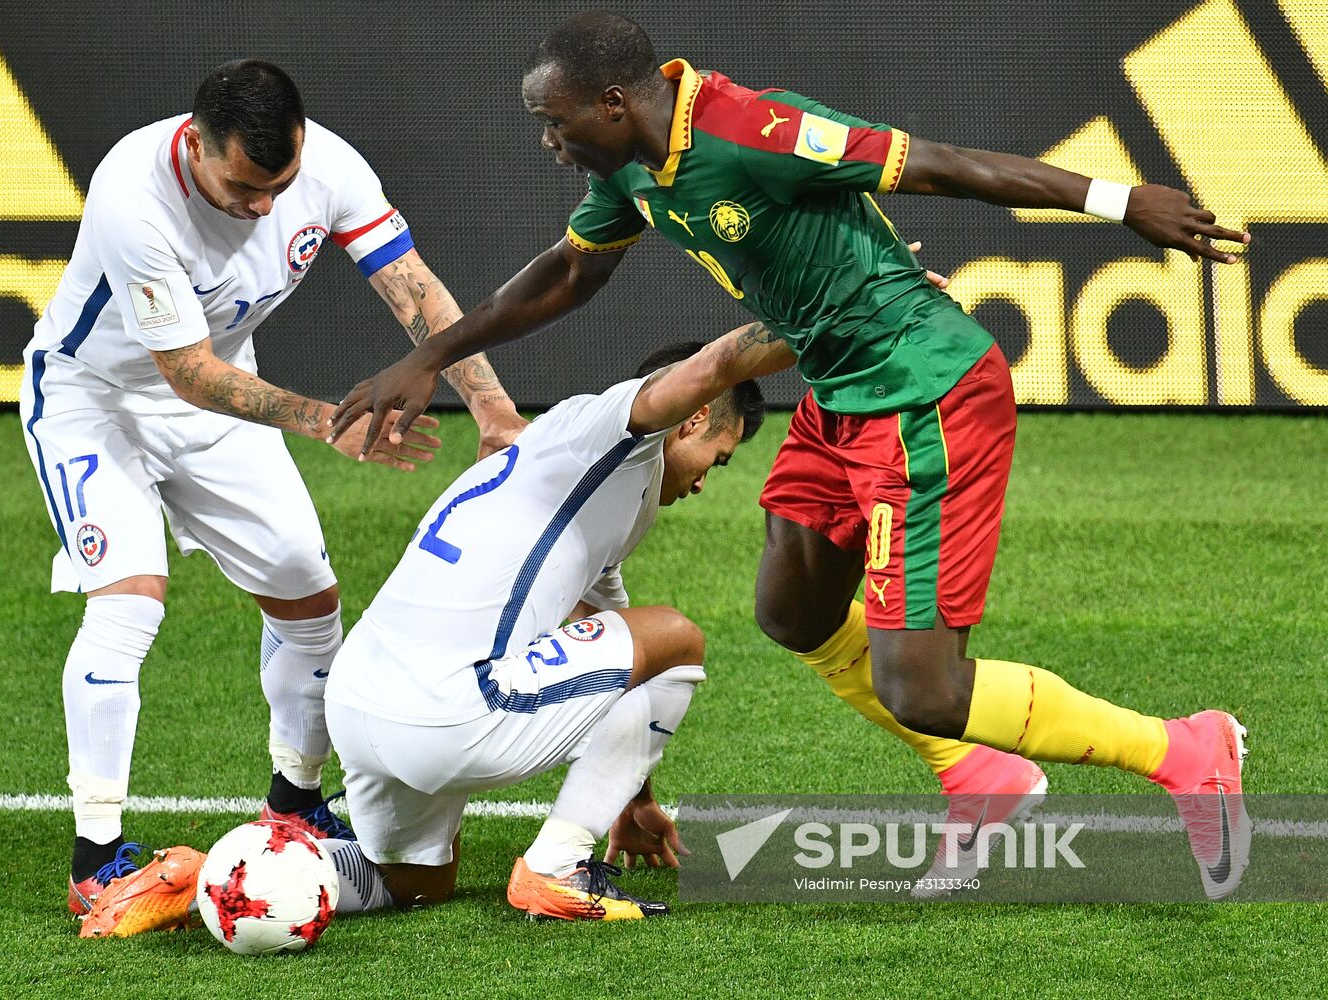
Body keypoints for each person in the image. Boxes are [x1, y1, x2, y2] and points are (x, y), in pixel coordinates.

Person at [329, 12, 1253, 900]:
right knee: (792, 605)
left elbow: (932, 164)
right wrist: (427, 358)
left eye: (553, 122)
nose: (549, 143)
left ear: (611, 102)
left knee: (923, 687)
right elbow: (569, 273)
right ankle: (978, 774)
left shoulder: (751, 129)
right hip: (839, 393)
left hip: (921, 391)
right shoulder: (633, 172)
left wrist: (1118, 198)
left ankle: (1185, 750)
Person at [22, 59, 522, 938]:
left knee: (309, 602)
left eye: (278, 184)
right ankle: (95, 861)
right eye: (243, 188)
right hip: (94, 404)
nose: (262, 206)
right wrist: (327, 419)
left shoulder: (324, 165)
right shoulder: (133, 193)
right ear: (196, 143)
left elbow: (413, 288)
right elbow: (187, 373)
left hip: (219, 404)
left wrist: (491, 406)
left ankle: (295, 806)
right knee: (129, 605)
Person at [317, 331, 780, 921]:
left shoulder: (591, 485)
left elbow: (616, 653)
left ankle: (226, 873)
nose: (701, 484)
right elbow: (716, 364)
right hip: (444, 714)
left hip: (357, 701)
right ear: (690, 420)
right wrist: (852, 304)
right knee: (678, 636)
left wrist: (630, 797)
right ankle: (556, 867)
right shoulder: (611, 429)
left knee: (410, 883)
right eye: (716, 461)